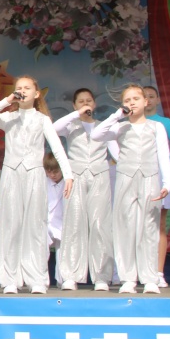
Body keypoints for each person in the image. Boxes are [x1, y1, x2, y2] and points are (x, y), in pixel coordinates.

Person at [0, 76, 73, 294]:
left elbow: (57, 147)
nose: (22, 91)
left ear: (36, 94)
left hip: (34, 174)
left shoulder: (42, 120)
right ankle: (10, 279)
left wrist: (68, 174)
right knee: (11, 225)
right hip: (12, 174)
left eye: (27, 88)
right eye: (19, 88)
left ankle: (36, 278)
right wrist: (7, 101)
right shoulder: (8, 117)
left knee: (35, 225)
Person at [90, 84, 170, 294]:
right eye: (127, 100)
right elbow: (97, 134)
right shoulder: (120, 127)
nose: (132, 103)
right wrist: (117, 116)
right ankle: (128, 278)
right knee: (125, 227)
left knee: (149, 228)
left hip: (150, 178)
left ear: (146, 101)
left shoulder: (156, 127)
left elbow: (163, 156)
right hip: (126, 179)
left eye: (136, 99)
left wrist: (167, 183)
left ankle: (150, 278)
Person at [52, 88, 116, 292]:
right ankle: (70, 275)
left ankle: (101, 276)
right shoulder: (71, 126)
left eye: (89, 100)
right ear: (74, 105)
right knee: (74, 223)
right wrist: (76, 114)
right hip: (76, 176)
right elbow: (54, 129)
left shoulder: (103, 127)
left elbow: (117, 153)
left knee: (99, 224)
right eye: (81, 101)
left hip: (99, 176)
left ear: (95, 104)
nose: (86, 104)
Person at [144, 85, 170, 287]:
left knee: (160, 225)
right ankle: (140, 270)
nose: (148, 99)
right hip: (140, 174)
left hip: (160, 175)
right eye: (144, 96)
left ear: (158, 100)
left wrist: (162, 162)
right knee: (139, 225)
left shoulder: (165, 122)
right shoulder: (130, 123)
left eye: (151, 96)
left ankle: (159, 272)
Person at [44, 153, 65, 288]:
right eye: (49, 172)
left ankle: (62, 279)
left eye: (56, 172)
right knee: (42, 249)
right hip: (47, 221)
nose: (52, 175)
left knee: (62, 251)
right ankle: (42, 279)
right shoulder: (43, 182)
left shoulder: (68, 182)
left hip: (62, 222)